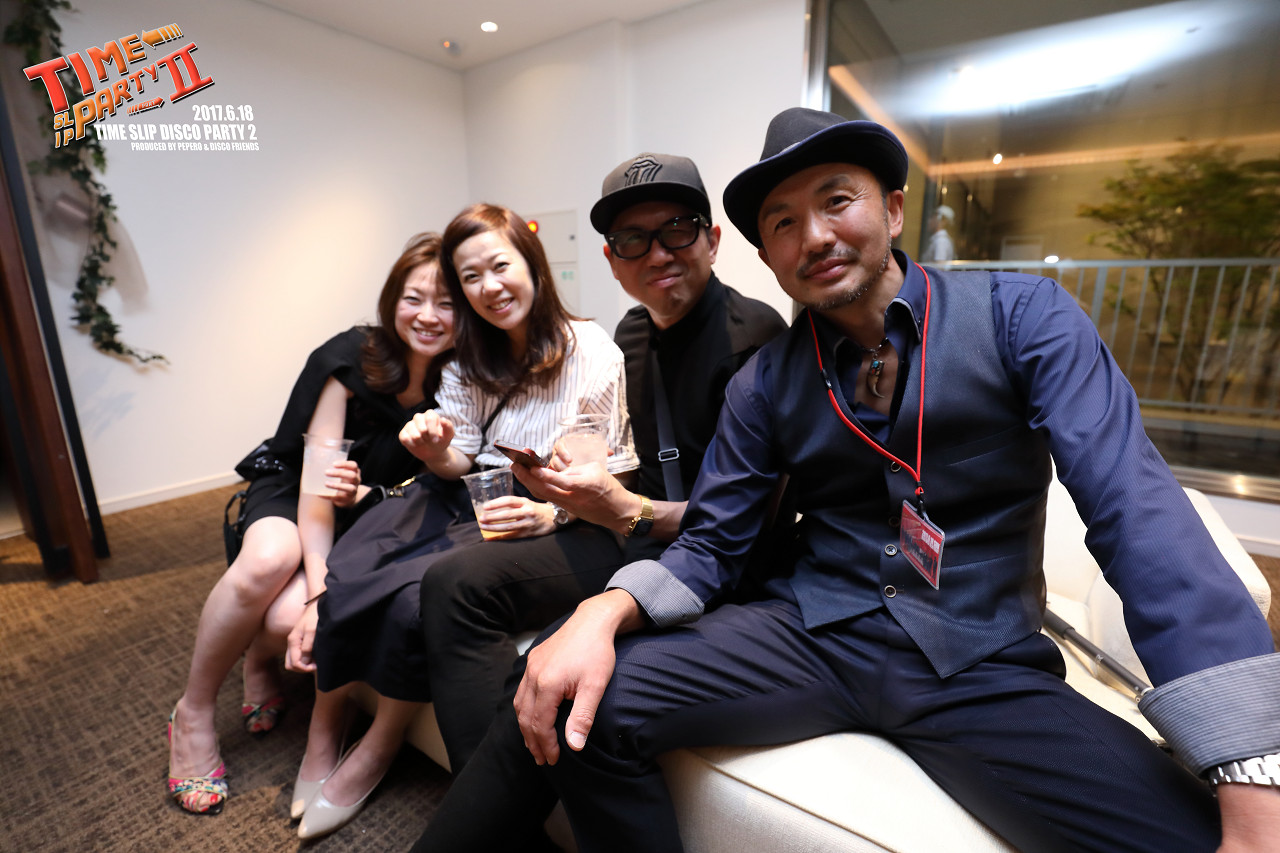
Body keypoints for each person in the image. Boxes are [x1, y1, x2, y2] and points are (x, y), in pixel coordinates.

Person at [427, 110, 1280, 853]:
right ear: (766, 253)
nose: (815, 237)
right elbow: (714, 540)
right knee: (581, 702)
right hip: (812, 631)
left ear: (894, 208)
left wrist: (1249, 764)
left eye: (837, 200)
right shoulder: (766, 381)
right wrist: (603, 610)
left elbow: (1136, 510)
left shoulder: (1022, 317)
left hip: (978, 657)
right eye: (783, 222)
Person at [411, 153, 789, 776]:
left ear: (713, 239)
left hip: (699, 556)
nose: (658, 253)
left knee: (546, 668)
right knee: (453, 585)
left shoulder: (755, 335)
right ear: (612, 261)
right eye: (633, 240)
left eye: (677, 230)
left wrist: (610, 508)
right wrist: (578, 481)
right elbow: (625, 461)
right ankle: (481, 788)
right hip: (629, 536)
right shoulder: (633, 333)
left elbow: (742, 523)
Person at [287, 203, 640, 840]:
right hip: (480, 505)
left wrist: (549, 511)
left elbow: (614, 482)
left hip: (568, 520)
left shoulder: (591, 351)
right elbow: (461, 461)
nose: (488, 287)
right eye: (470, 277)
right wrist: (433, 450)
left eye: (499, 266)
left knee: (424, 589)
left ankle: (396, 762)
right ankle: (332, 731)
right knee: (362, 556)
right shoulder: (471, 359)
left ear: (532, 263)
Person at [165, 233, 455, 815]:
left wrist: (368, 500)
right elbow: (315, 487)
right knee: (271, 557)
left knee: (281, 620)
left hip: (370, 511)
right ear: (392, 300)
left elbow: (424, 486)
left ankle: (258, 656)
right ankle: (192, 712)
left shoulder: (463, 380)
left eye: (446, 303)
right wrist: (323, 592)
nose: (427, 316)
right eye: (413, 298)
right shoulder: (352, 357)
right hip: (299, 490)